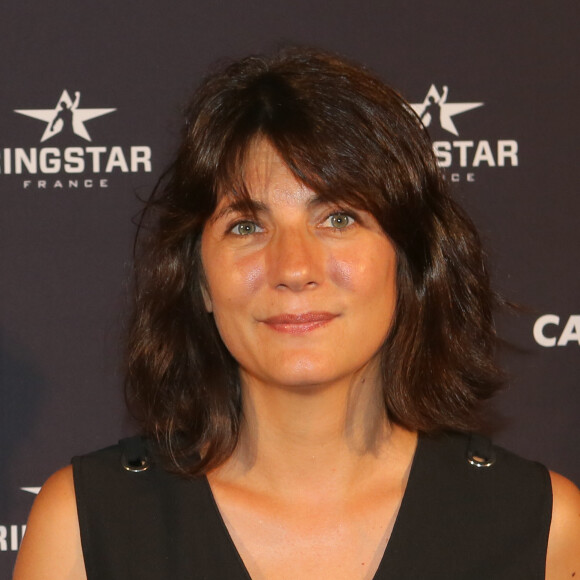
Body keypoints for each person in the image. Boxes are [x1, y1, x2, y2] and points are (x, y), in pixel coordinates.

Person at [14, 47, 580, 580]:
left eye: (337, 219)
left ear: (407, 262)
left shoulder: (542, 525)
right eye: (247, 226)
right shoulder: (89, 526)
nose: (293, 266)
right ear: (199, 280)